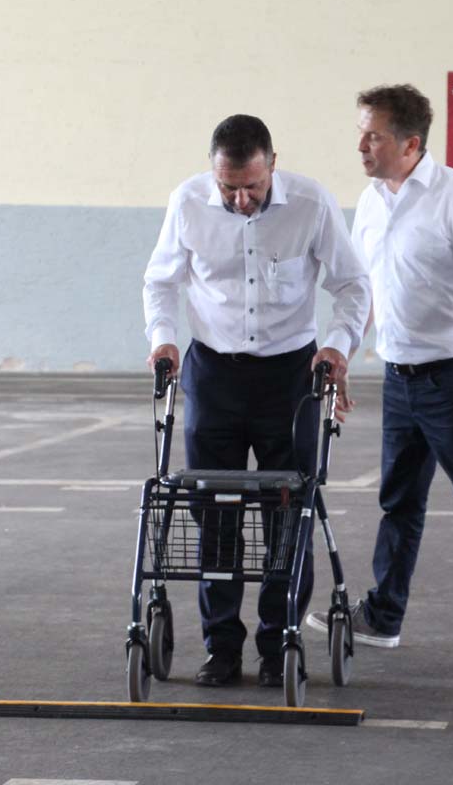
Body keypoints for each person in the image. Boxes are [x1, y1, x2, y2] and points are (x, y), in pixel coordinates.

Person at [142, 114, 371, 688]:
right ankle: (221, 648)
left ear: (273, 164)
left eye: (252, 186)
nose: (241, 200)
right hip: (212, 375)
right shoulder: (187, 203)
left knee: (287, 518)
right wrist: (163, 337)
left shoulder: (311, 205)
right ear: (212, 172)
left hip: (290, 379)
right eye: (228, 188)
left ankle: (278, 644)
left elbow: (352, 284)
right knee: (213, 514)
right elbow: (161, 281)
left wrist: (338, 346)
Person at [303, 84, 453, 672]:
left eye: (372, 136)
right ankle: (384, 616)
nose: (361, 146)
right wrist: (343, 352)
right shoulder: (371, 201)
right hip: (399, 379)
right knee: (398, 503)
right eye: (360, 134)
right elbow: (362, 289)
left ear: (410, 144)